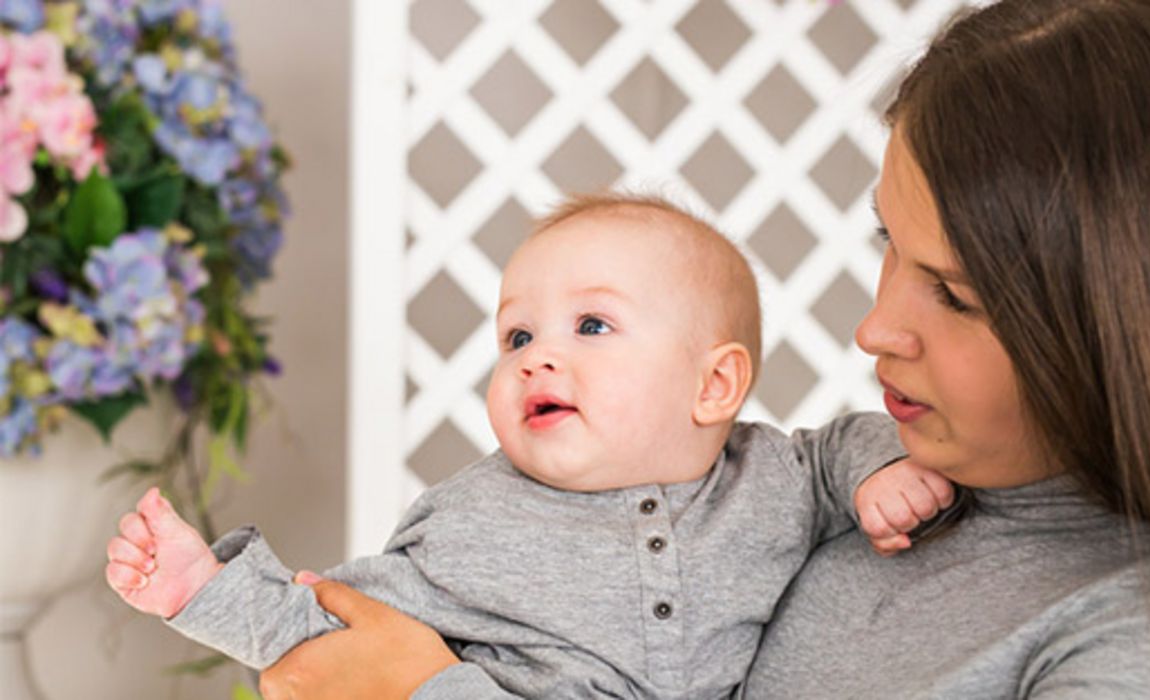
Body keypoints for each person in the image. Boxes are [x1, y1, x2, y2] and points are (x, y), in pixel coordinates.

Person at [246, 1, 1150, 698]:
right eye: (885, 246)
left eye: (950, 291)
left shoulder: (1145, 643)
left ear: (1123, 321)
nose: (874, 327)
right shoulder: (847, 505)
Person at [104, 193, 956, 698]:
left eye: (591, 325)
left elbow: (845, 442)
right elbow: (332, 625)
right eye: (516, 337)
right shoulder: (469, 521)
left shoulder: (779, 474)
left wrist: (879, 472)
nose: (537, 356)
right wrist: (204, 592)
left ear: (713, 387)